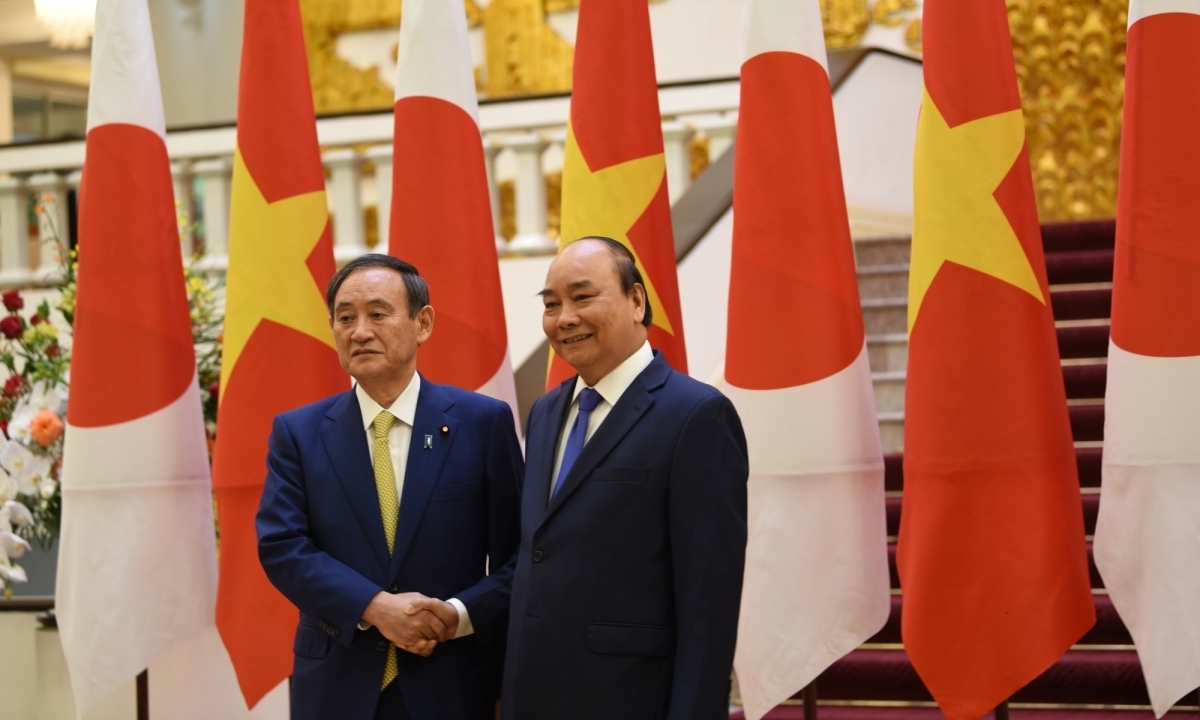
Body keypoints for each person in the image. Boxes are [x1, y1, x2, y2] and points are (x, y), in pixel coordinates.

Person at [448, 236, 745, 719]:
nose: (564, 318)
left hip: (628, 698)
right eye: (551, 304)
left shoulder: (697, 415)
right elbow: (538, 557)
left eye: (583, 297)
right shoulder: (546, 411)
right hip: (534, 694)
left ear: (636, 300)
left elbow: (708, 603)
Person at [256, 254, 523, 720]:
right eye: (345, 317)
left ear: (423, 323)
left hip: (452, 681)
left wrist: (456, 616)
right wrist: (375, 607)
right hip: (337, 686)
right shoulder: (298, 433)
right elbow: (283, 546)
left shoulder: (482, 423)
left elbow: (520, 555)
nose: (359, 331)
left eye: (378, 314)